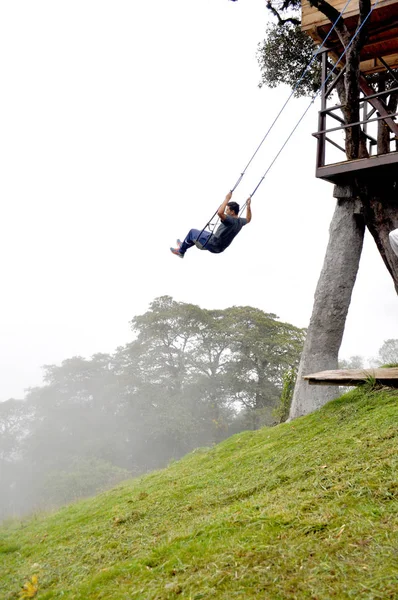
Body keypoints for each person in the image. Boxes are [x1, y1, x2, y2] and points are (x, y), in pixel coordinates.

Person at [170, 191, 251, 258]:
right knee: (200, 232)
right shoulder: (241, 221)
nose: (226, 211)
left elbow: (220, 213)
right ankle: (184, 244)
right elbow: (248, 219)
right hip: (220, 246)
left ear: (233, 212)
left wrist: (227, 198)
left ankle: (181, 252)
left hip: (213, 244)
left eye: (227, 210)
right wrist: (248, 206)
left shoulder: (230, 220)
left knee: (192, 232)